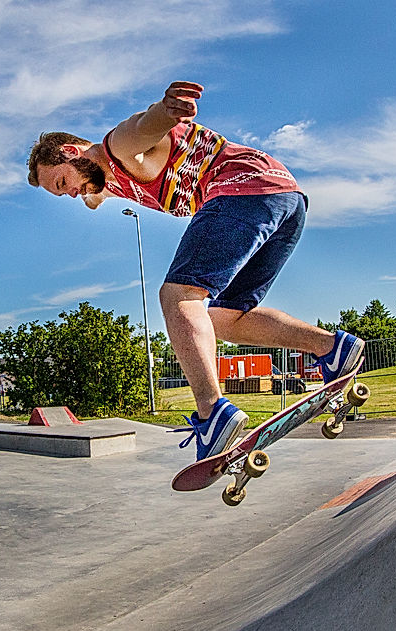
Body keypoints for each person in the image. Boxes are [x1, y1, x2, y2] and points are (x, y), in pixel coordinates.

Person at [28, 81, 365, 462]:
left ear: (72, 152)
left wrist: (165, 111)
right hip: (285, 200)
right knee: (224, 319)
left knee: (178, 297)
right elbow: (93, 195)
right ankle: (331, 348)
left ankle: (212, 414)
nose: (72, 194)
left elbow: (141, 129)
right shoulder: (102, 180)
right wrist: (91, 194)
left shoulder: (117, 147)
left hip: (241, 194)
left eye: (63, 183)